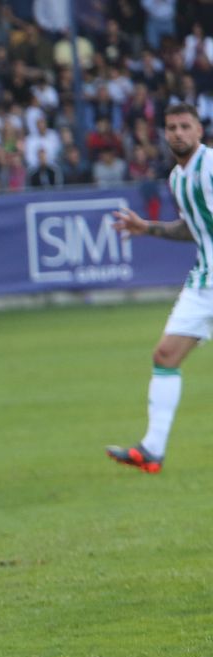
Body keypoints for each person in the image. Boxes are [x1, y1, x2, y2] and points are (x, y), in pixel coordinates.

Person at [107, 103, 213, 474]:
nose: (178, 133)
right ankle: (152, 450)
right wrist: (147, 227)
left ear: (199, 130)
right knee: (165, 355)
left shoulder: (210, 165)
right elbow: (192, 228)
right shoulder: (177, 179)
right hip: (204, 282)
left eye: (185, 126)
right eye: (172, 128)